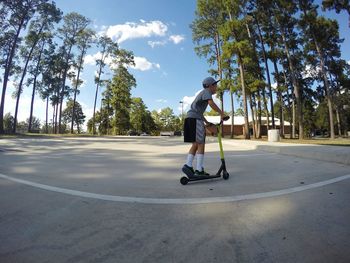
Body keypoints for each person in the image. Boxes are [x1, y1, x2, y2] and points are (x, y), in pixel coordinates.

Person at [182, 76, 225, 177]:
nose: (216, 87)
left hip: (191, 118)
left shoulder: (203, 94)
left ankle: (188, 165)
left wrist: (207, 122)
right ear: (210, 86)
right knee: (201, 143)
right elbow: (211, 103)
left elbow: (199, 112)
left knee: (196, 144)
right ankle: (199, 170)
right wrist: (221, 113)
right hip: (195, 119)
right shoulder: (206, 92)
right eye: (215, 85)